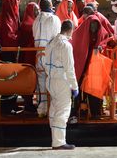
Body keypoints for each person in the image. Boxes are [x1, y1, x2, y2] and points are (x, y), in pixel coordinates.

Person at [70, 11, 112, 121]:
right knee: (77, 88)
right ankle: (74, 112)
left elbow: (107, 38)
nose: (94, 27)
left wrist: (101, 46)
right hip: (80, 66)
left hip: (94, 66)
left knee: (94, 89)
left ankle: (95, 112)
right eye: (92, 25)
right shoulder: (79, 33)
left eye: (96, 25)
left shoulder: (101, 32)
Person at [45, 19, 78, 150]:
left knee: (54, 109)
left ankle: (55, 138)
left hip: (50, 80)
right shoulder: (66, 45)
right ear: (70, 30)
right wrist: (74, 86)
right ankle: (58, 142)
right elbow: (70, 69)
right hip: (61, 82)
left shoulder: (51, 42)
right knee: (63, 110)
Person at [33, 0, 61, 118]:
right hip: (51, 54)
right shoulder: (54, 19)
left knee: (41, 81)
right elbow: (57, 35)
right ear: (50, 5)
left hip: (39, 53)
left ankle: (42, 109)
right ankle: (53, 109)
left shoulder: (37, 19)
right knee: (54, 81)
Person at [0, 0, 22, 115]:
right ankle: (6, 107)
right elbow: (9, 39)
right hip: (8, 54)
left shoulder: (6, 17)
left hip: (8, 54)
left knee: (12, 81)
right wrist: (20, 37)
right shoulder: (8, 19)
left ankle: (11, 104)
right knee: (10, 81)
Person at [19, 2, 40, 113]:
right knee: (29, 78)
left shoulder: (29, 22)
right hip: (29, 55)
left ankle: (29, 102)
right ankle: (28, 103)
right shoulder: (28, 24)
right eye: (36, 10)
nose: (38, 12)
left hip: (31, 54)